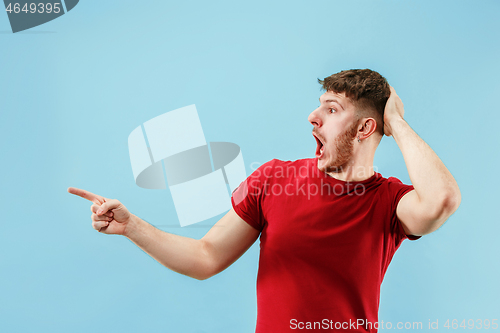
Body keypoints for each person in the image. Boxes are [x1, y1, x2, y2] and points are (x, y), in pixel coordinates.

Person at [68, 69, 461, 332]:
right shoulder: (274, 179)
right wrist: (131, 226)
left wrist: (398, 122)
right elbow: (206, 257)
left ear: (366, 127)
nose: (313, 116)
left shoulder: (390, 201)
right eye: (318, 104)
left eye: (331, 109)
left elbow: (442, 199)